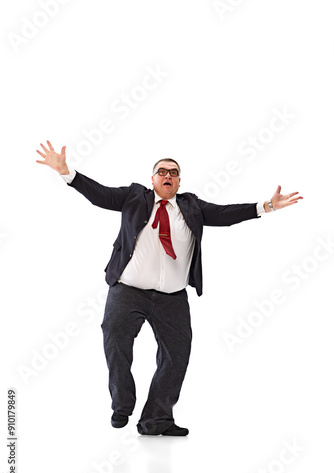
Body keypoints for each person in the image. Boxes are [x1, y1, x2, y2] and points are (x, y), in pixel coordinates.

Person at [36, 140, 303, 436]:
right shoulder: (134, 197)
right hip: (128, 291)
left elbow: (226, 215)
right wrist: (67, 173)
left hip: (172, 298)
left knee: (177, 355)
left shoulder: (191, 206)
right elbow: (100, 195)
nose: (167, 176)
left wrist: (265, 207)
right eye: (161, 171)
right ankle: (122, 403)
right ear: (152, 179)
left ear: (178, 181)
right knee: (116, 339)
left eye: (173, 172)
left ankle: (156, 420)